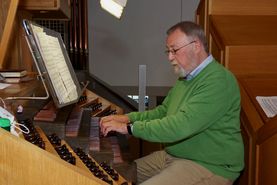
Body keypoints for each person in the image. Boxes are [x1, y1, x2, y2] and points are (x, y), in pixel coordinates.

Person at [100, 21, 244, 185]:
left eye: (174, 50)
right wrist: (128, 118)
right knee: (112, 174)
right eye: (168, 51)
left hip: (208, 165)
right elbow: (163, 112)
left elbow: (181, 126)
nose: (169, 57)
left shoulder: (218, 81)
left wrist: (129, 129)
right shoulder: (186, 78)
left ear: (195, 45)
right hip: (173, 155)